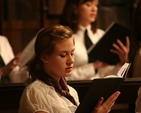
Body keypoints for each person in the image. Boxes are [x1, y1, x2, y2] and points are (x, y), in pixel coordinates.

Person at [18, 25, 121, 113]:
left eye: (72, 53)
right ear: (44, 57)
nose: (71, 60)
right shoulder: (35, 92)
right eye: (63, 55)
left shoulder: (71, 92)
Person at [60, 0, 130, 80]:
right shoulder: (65, 38)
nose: (94, 9)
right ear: (75, 8)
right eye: (88, 5)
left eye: (96, 5)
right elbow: (61, 76)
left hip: (100, 88)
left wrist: (122, 62)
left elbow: (106, 73)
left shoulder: (101, 35)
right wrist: (92, 68)